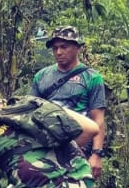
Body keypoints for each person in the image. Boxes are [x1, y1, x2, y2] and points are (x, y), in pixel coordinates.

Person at [29, 26, 108, 178]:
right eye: (55, 48)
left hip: (80, 147)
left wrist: (97, 153)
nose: (58, 52)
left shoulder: (92, 78)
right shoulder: (42, 76)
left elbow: (98, 119)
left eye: (64, 47)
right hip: (48, 147)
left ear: (77, 47)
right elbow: (31, 111)